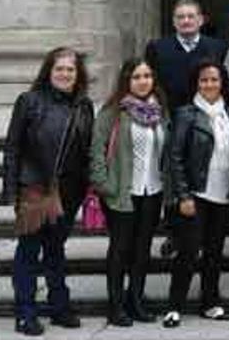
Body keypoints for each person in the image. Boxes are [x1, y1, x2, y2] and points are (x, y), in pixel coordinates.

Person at [3, 47, 93, 336]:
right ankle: (25, 313)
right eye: (60, 69)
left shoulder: (84, 105)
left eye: (70, 69)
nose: (65, 74)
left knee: (55, 250)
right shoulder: (29, 101)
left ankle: (59, 306)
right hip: (34, 187)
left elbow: (86, 150)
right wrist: (11, 191)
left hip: (68, 191)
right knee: (28, 252)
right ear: (49, 71)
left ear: (78, 74)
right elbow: (13, 147)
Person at [90, 58, 170, 327]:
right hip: (121, 193)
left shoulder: (159, 111)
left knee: (142, 250)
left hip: (152, 191)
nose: (143, 81)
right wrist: (105, 185)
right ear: (127, 80)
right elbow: (97, 150)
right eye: (137, 76)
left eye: (147, 75)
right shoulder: (114, 110)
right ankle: (115, 306)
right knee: (120, 250)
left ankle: (135, 300)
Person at [162, 61, 229, 328]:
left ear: (222, 83)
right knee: (188, 252)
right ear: (197, 84)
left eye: (214, 80)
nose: (209, 85)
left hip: (225, 194)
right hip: (197, 194)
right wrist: (184, 196)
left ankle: (210, 303)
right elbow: (174, 157)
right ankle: (174, 306)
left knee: (214, 253)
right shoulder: (186, 114)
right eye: (204, 80)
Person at [145, 0, 226, 111]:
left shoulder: (217, 48)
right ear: (174, 21)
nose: (186, 21)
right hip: (169, 115)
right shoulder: (157, 48)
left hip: (207, 115)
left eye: (191, 16)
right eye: (180, 17)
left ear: (201, 20)